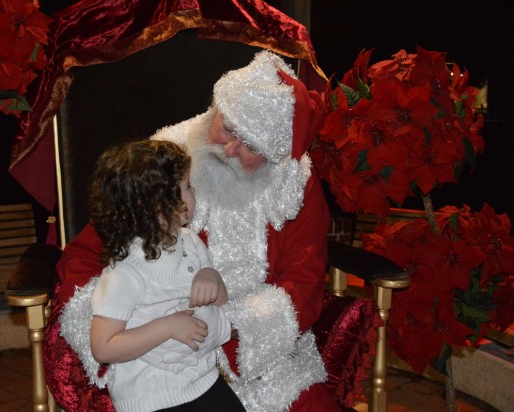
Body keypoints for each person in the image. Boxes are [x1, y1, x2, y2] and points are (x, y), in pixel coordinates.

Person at [44, 50, 341, 412]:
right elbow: (89, 253)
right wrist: (135, 326)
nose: (229, 149)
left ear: (274, 154)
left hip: (257, 352)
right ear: (217, 107)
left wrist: (228, 324)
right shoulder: (167, 161)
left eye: (250, 146)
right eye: (228, 127)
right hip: (151, 356)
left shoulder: (294, 185)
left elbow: (304, 283)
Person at [80, 140, 245, 412]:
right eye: (185, 187)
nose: (193, 193)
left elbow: (222, 306)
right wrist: (167, 327)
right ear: (154, 205)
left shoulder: (190, 242)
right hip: (150, 397)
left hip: (201, 380)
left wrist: (212, 276)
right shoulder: (124, 273)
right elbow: (103, 347)